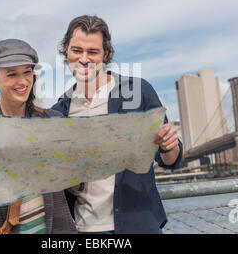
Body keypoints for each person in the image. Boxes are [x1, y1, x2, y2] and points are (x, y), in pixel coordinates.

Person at [50, 15, 183, 234]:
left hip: (139, 227)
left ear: (106, 54)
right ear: (66, 50)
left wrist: (169, 145)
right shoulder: (58, 112)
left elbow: (170, 161)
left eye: (92, 52)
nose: (84, 59)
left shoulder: (139, 93)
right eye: (77, 50)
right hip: (85, 230)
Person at [0, 39, 77, 234]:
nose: (23, 81)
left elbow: (75, 184)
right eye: (12, 74)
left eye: (27, 72)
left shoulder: (53, 120)